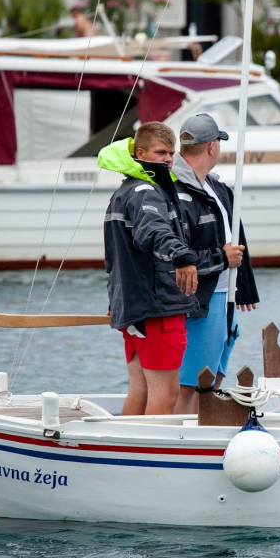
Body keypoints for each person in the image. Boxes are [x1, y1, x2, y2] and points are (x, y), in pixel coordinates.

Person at [98, 122, 199, 415]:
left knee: (140, 391)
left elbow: (116, 256)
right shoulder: (146, 191)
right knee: (166, 393)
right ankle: (148, 458)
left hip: (133, 307)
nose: (168, 159)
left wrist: (116, 300)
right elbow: (153, 232)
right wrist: (182, 256)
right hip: (158, 309)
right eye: (160, 152)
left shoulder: (125, 191)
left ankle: (121, 453)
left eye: (171, 153)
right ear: (140, 153)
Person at [170, 114, 260, 415]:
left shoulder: (217, 186)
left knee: (214, 378)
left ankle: (203, 428)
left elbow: (237, 239)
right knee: (194, 383)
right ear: (211, 147)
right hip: (202, 299)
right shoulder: (176, 190)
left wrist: (244, 288)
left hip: (225, 294)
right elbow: (179, 252)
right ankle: (183, 442)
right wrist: (223, 259)